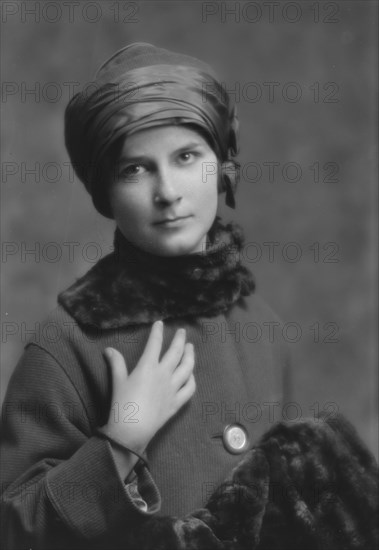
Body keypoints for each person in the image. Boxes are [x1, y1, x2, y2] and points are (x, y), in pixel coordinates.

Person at [0, 43, 292, 549]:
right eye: (135, 169)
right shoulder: (68, 343)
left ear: (223, 166)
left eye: (186, 157)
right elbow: (14, 528)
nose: (168, 192)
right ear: (106, 193)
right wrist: (122, 439)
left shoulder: (261, 324)